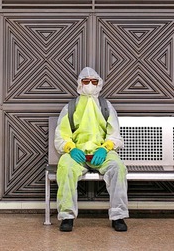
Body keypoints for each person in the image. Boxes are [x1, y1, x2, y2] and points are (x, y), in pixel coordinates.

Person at [54, 67, 129, 232]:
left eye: (94, 82)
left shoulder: (106, 106)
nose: (90, 85)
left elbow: (114, 134)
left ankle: (119, 216)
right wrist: (70, 148)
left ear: (99, 84)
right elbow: (61, 135)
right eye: (86, 81)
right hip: (77, 154)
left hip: (102, 153)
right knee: (65, 167)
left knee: (118, 167)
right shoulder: (71, 107)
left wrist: (106, 148)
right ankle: (67, 217)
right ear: (80, 83)